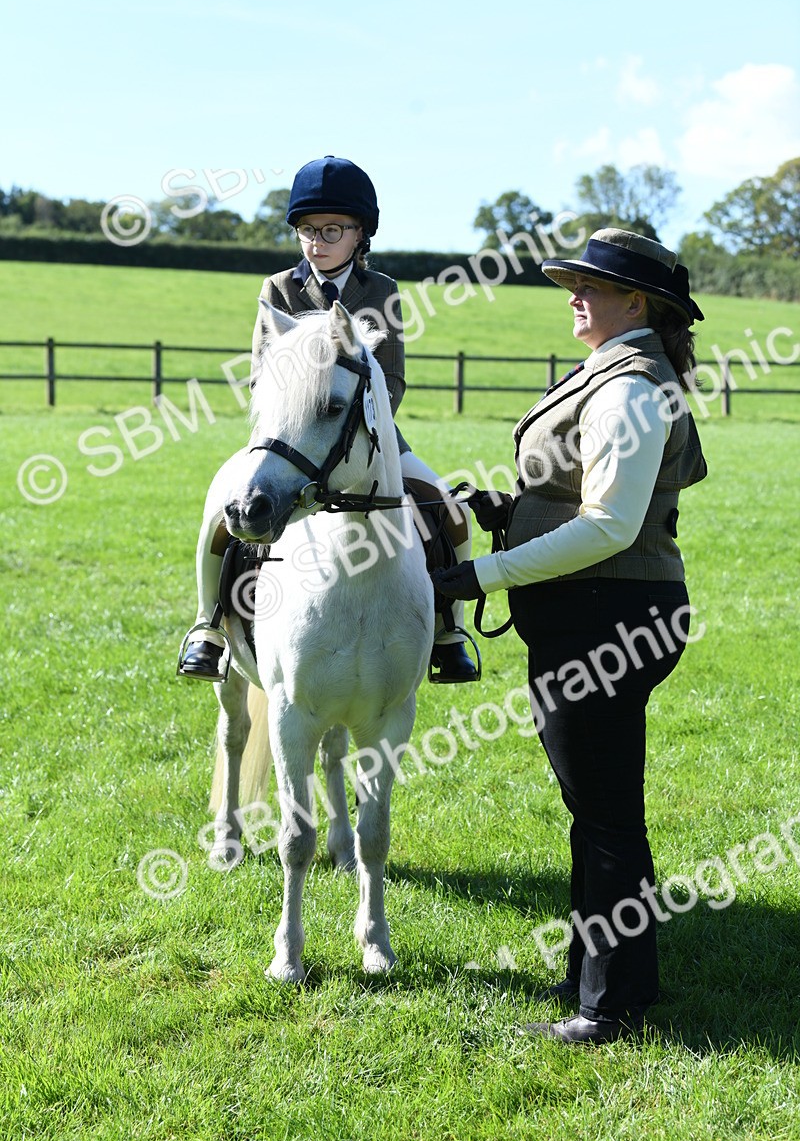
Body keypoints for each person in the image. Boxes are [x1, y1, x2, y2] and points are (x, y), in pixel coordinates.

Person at [433, 228, 708, 1044]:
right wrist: (505, 511)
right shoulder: (616, 371)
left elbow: (610, 526)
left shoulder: (630, 384)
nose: (576, 294)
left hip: (608, 615)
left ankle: (606, 1007)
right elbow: (578, 493)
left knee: (606, 817)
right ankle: (616, 980)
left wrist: (481, 575)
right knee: (598, 811)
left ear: (640, 303)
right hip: (601, 612)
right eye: (573, 283)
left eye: (595, 284)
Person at [178, 156, 477, 684]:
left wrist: (363, 429)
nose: (317, 241)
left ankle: (450, 632)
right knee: (219, 510)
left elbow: (393, 379)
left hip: (368, 435)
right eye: (307, 231)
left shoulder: (382, 291)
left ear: (360, 234)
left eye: (331, 230)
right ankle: (208, 626)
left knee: (448, 510)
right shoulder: (278, 290)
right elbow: (260, 376)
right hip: (286, 436)